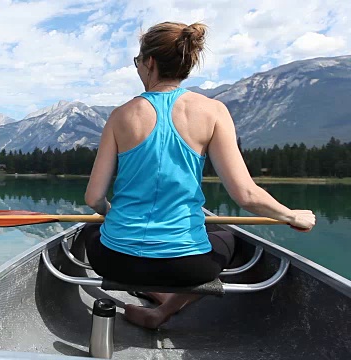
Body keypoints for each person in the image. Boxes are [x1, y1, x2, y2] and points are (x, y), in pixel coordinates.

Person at [82, 21, 316, 329]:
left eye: (138, 62)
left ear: (150, 62)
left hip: (116, 261)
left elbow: (94, 198)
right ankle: (164, 309)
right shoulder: (213, 111)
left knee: (89, 233)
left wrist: (110, 214)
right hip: (188, 269)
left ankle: (156, 298)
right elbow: (246, 195)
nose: (138, 68)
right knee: (230, 239)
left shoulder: (120, 115)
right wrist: (290, 216)